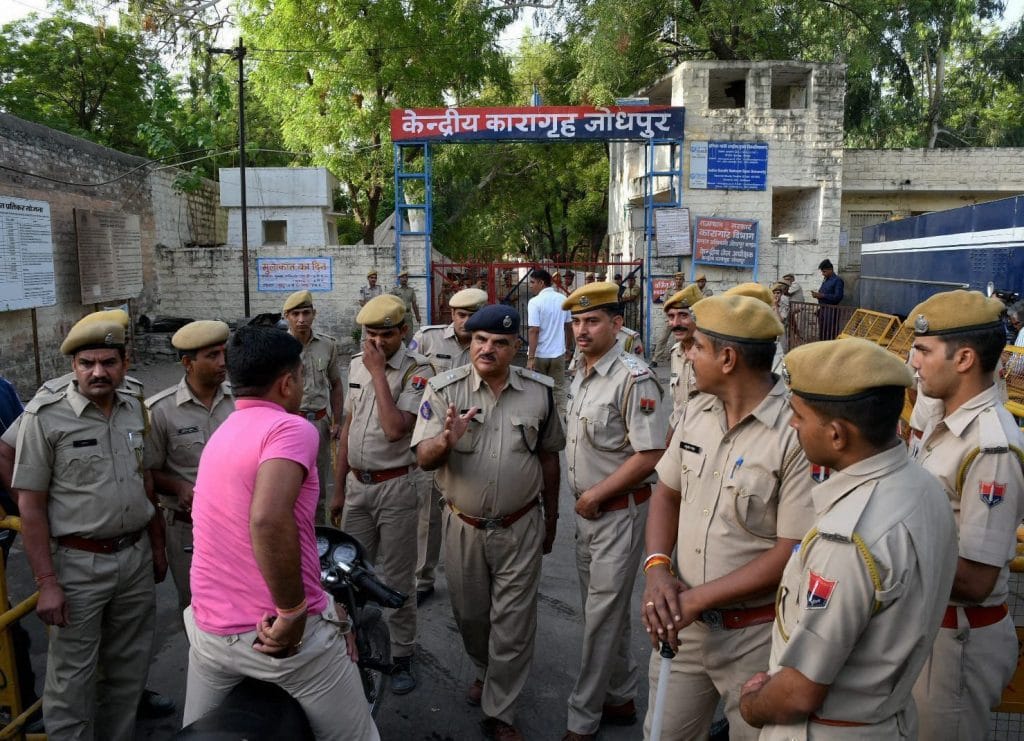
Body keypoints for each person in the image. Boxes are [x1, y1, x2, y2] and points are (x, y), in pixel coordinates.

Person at [738, 338, 958, 737]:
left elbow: (800, 692)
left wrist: (753, 705)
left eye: (799, 416)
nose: (793, 425)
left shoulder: (848, 538)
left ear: (837, 434)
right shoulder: (923, 486)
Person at [182, 325, 378, 741]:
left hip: (210, 632)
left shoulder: (222, 433)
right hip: (278, 638)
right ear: (288, 382)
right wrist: (292, 612)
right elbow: (269, 520)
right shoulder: (290, 430)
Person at [641, 294, 815, 741]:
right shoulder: (697, 411)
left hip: (757, 636)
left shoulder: (795, 433)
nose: (688, 353)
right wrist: (658, 568)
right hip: (686, 629)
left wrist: (695, 599)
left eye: (697, 346)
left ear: (728, 358)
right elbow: (666, 492)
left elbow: (791, 550)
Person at [2, 309, 175, 721]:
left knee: (128, 672)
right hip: (77, 565)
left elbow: (143, 478)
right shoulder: (45, 415)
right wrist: (46, 583)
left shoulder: (134, 402)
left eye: (108, 362)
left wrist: (156, 545)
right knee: (72, 682)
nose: (98, 372)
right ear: (73, 366)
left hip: (134, 559)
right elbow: (29, 505)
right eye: (87, 363)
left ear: (125, 362)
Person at [412, 304, 565, 741]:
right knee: (471, 616)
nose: (488, 349)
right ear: (470, 342)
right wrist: (445, 439)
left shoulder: (540, 392)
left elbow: (549, 457)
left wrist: (550, 518)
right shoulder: (445, 390)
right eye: (480, 340)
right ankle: (484, 667)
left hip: (520, 525)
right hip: (464, 526)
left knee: (514, 622)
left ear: (517, 347)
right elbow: (423, 460)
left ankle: (501, 709)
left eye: (500, 342)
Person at [906, 290, 1024, 740]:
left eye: (922, 350)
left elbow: (975, 580)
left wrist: (886, 549)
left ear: (964, 359)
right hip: (929, 628)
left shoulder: (990, 446)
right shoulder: (944, 420)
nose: (913, 363)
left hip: (955, 644)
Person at [561, 282, 669, 741]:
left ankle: (582, 718)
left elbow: (651, 454)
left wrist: (596, 494)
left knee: (601, 615)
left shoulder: (633, 376)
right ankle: (620, 694)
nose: (581, 331)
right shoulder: (580, 370)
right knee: (600, 613)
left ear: (617, 324)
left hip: (618, 513)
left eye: (592, 321)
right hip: (591, 513)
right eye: (576, 322)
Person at [331, 294, 434, 695]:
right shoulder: (357, 364)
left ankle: (403, 654)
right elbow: (349, 429)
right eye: (369, 334)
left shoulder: (417, 372)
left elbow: (395, 429)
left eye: (385, 334)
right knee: (342, 572)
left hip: (396, 487)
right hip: (358, 485)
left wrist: (378, 371)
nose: (375, 342)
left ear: (403, 332)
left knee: (397, 578)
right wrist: (338, 489)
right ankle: (348, 644)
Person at [145, 320, 234, 616]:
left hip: (239, 524)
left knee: (244, 602)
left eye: (224, 353)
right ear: (187, 363)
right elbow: (148, 472)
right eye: (212, 355)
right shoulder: (160, 411)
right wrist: (178, 487)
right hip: (187, 529)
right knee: (198, 610)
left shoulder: (240, 401)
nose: (222, 362)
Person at [407, 287, 489, 604]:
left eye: (472, 316)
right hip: (433, 436)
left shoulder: (488, 343)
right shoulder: (427, 339)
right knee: (428, 514)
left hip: (477, 438)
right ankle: (423, 579)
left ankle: (477, 578)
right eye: (460, 315)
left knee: (474, 509)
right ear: (451, 314)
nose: (466, 322)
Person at [282, 289, 343, 521]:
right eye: (295, 314)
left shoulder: (327, 345)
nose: (301, 319)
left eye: (306, 313)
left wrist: (337, 420)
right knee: (289, 482)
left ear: (314, 314)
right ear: (286, 316)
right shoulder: (279, 347)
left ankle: (317, 537)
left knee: (317, 485)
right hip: (289, 423)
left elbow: (336, 384)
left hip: (319, 423)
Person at [526, 269, 573, 417]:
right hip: (558, 354)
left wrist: (531, 357)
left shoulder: (534, 302)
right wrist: (568, 349)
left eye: (532, 282)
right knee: (559, 389)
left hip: (539, 355)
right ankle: (564, 419)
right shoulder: (563, 299)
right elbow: (569, 327)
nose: (530, 286)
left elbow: (534, 330)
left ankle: (540, 419)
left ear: (541, 283)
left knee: (538, 388)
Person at [662, 284, 705, 437]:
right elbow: (679, 402)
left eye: (683, 315)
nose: (675, 323)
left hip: (705, 433)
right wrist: (673, 425)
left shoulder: (711, 355)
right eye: (671, 317)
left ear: (698, 318)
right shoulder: (676, 352)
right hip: (681, 431)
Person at [651, 273, 686, 366]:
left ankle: (678, 359)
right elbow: (664, 304)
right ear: (675, 280)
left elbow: (687, 305)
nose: (678, 281)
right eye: (677, 279)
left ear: (683, 280)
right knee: (662, 339)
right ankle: (655, 360)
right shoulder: (669, 290)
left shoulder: (685, 292)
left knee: (679, 340)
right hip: (670, 319)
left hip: (681, 319)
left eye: (680, 279)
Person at [811, 259, 844, 340]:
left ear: (830, 270)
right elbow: (823, 292)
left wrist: (822, 295)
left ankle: (830, 349)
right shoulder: (826, 279)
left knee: (830, 332)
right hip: (823, 310)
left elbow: (838, 297)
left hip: (831, 310)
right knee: (822, 332)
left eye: (824, 271)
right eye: (822, 272)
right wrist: (817, 295)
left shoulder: (837, 280)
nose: (823, 274)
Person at [390, 270, 423, 338]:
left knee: (409, 335)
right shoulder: (395, 290)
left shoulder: (411, 290)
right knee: (399, 335)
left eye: (406, 277)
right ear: (399, 279)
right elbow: (391, 304)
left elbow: (414, 304)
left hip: (408, 315)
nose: (404, 279)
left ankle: (409, 348)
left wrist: (417, 316)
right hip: (399, 315)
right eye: (402, 277)